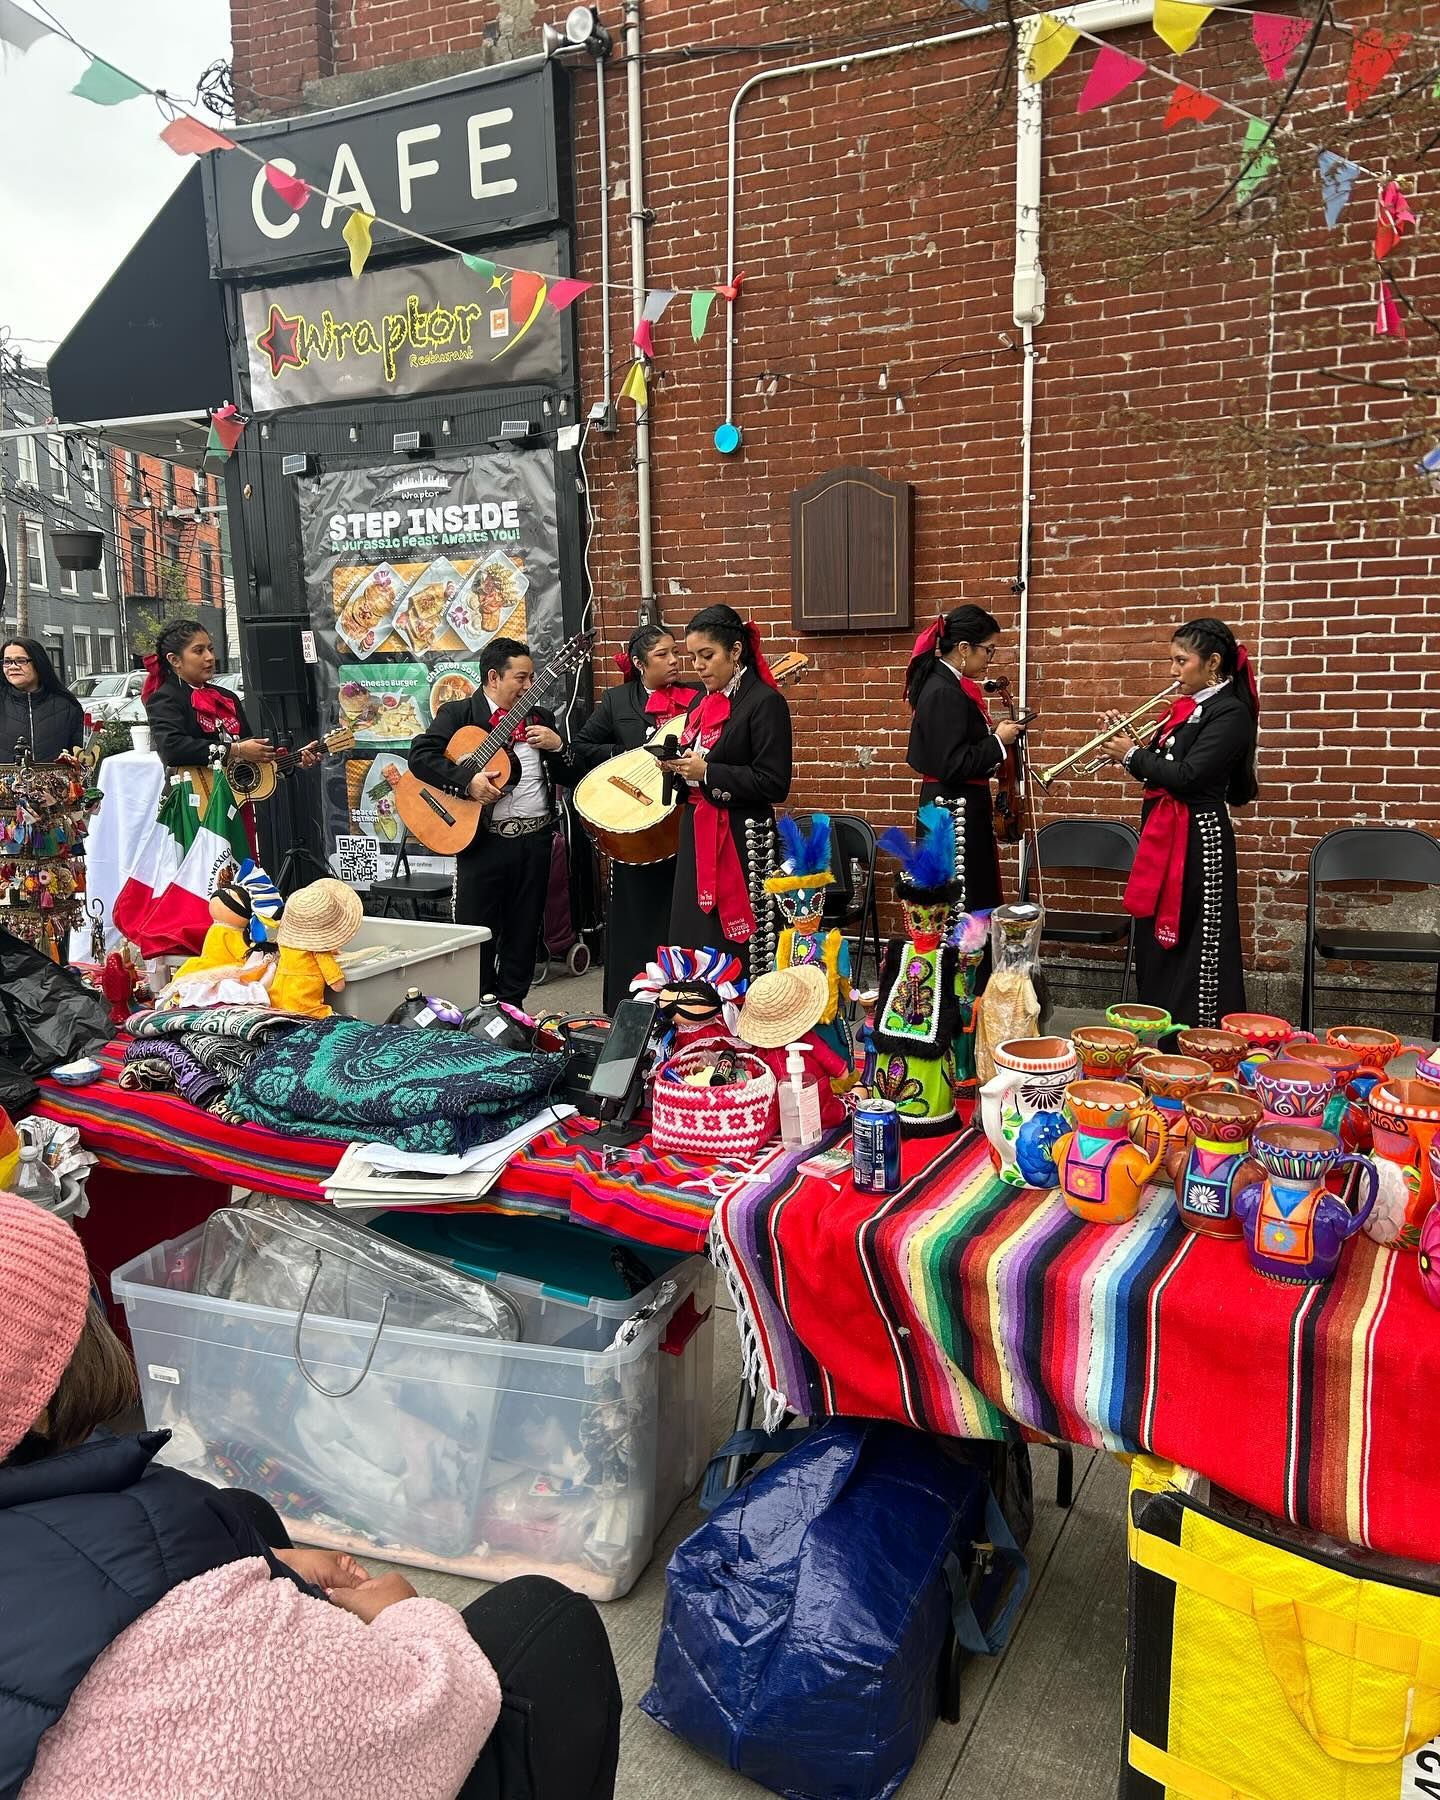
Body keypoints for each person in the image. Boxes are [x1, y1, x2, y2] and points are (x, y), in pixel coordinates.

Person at [0, 1192, 622, 1800]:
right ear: (44, 1409)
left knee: (246, 1514)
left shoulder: (129, 1509)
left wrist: (269, 1569)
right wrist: (408, 1616)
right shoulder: (174, 1546)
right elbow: (431, 1710)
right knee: (550, 1621)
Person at [1099, 615, 1259, 1030]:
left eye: (1181, 661)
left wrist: (1132, 755)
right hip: (1167, 834)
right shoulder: (1187, 709)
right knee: (1157, 934)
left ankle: (1198, 1036)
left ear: (1213, 663)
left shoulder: (1231, 712)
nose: (1173, 671)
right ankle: (1160, 1025)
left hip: (1198, 839)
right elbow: (1160, 764)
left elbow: (1190, 776)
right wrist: (1125, 742)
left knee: (1196, 939)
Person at [408, 636, 567, 1006]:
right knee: (477, 934)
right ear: (493, 677)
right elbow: (420, 757)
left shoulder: (540, 719)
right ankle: (478, 1011)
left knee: (525, 932)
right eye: (521, 678)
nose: (528, 687)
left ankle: (513, 1012)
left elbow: (566, 771)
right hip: (482, 842)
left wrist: (558, 746)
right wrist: (467, 782)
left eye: (532, 678)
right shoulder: (459, 714)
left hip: (535, 840)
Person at [563, 623, 698, 1013]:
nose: (674, 660)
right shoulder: (618, 700)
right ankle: (630, 1006)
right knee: (634, 914)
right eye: (662, 655)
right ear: (639, 663)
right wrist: (630, 757)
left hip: (676, 819)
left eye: (675, 652)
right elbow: (584, 745)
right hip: (633, 820)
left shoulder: (697, 698)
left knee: (681, 911)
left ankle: (684, 1003)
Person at [662, 605, 793, 974]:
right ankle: (696, 1011)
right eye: (693, 657)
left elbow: (774, 782)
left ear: (735, 652)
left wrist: (708, 772)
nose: (699, 666)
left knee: (739, 942)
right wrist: (676, 767)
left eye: (708, 655)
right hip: (697, 830)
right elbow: (696, 771)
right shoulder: (701, 705)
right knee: (695, 931)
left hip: (741, 837)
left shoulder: (764, 703)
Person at [902, 606, 1023, 916]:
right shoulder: (944, 691)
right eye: (989, 650)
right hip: (954, 812)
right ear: (964, 648)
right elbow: (952, 763)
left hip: (952, 806)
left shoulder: (945, 685)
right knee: (962, 906)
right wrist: (998, 741)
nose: (990, 659)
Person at [142, 621, 277, 778]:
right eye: (199, 651)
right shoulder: (166, 698)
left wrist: (287, 761)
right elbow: (173, 750)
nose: (210, 657)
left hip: (239, 794)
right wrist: (236, 750)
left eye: (211, 649)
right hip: (194, 797)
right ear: (174, 660)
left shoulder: (227, 697)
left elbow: (250, 752)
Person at [0, 638, 85, 762]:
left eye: (21, 661)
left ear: (39, 663)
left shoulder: (67, 705)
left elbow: (80, 755)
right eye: (7, 661)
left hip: (56, 780)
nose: (13, 667)